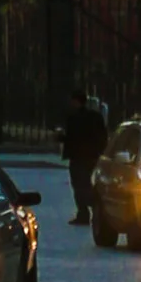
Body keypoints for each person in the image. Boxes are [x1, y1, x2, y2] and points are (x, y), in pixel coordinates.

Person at [60, 97, 107, 227]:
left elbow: (71, 137)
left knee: (79, 185)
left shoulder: (74, 118)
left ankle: (84, 212)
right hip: (92, 156)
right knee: (87, 183)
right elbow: (103, 136)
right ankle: (95, 211)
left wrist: (61, 138)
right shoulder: (96, 117)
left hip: (78, 156)